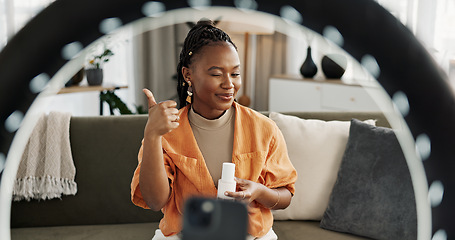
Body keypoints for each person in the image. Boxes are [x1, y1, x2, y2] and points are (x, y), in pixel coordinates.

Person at [131, 20, 297, 240]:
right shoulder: (166, 132)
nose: (229, 84)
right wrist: (152, 135)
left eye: (235, 74)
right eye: (217, 74)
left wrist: (259, 191)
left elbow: (285, 195)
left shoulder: (264, 129)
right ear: (188, 75)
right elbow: (154, 201)